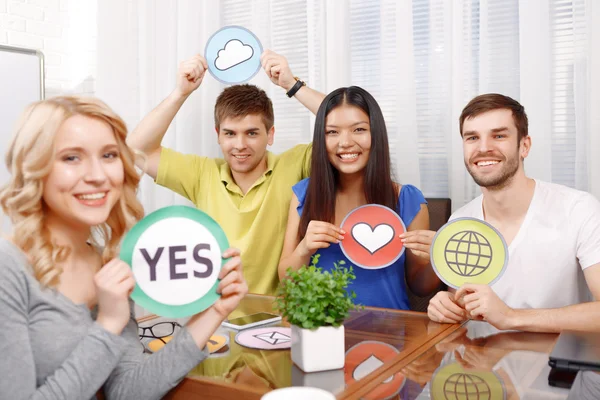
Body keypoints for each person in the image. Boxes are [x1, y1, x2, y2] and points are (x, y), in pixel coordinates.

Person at [0, 96, 248, 399]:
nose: (97, 176)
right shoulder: (8, 267)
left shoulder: (107, 263)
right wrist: (108, 324)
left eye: (108, 155)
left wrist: (214, 312)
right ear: (35, 168)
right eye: (71, 158)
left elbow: (127, 391)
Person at [126, 50, 326, 296]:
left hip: (276, 322)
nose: (240, 144)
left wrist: (292, 84)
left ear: (270, 135)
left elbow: (346, 127)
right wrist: (181, 93)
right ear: (218, 134)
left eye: (251, 133)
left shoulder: (294, 164)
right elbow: (135, 149)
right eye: (230, 133)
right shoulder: (202, 174)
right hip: (214, 321)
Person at [402, 93, 600, 332]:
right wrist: (446, 307)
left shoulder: (579, 209)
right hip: (480, 364)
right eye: (472, 137)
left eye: (499, 135)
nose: (484, 148)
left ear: (524, 146)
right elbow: (463, 306)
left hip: (558, 365)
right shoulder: (460, 222)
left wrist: (511, 317)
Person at [278, 86, 441, 309]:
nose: (345, 142)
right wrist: (304, 248)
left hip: (389, 332)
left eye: (359, 130)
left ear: (376, 134)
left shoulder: (407, 200)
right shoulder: (304, 195)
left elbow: (419, 286)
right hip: (322, 329)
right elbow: (287, 282)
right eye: (332, 132)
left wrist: (438, 258)